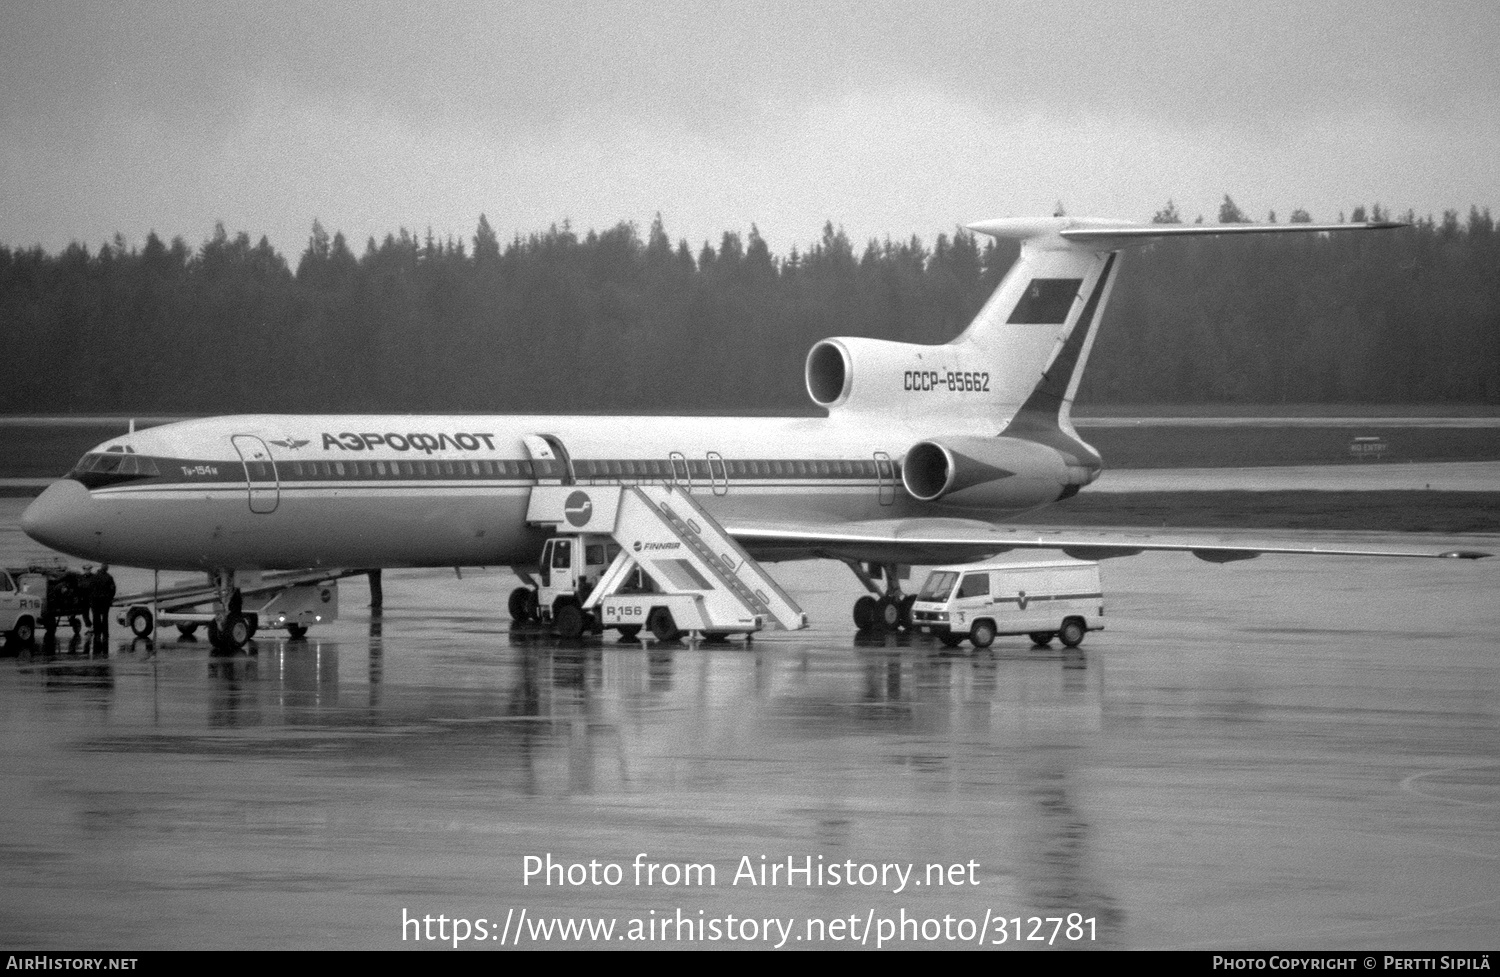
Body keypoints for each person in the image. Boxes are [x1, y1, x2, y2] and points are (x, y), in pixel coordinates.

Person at [90, 564, 116, 642]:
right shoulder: (109, 577)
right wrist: (110, 598)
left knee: (96, 617)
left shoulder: (94, 577)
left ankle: (97, 633)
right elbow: (113, 589)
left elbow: (90, 588)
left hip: (95, 599)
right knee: (105, 617)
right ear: (106, 569)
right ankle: (105, 634)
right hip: (105, 600)